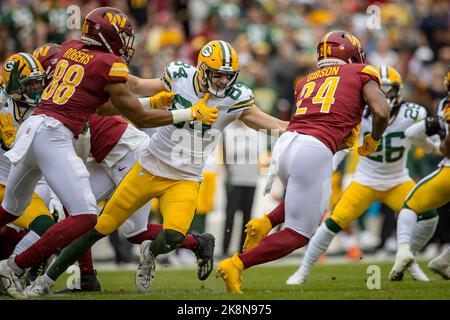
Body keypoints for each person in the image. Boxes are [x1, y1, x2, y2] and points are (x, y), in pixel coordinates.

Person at [22, 39, 288, 296]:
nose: (223, 81)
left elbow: (270, 123)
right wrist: (106, 77)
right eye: (217, 75)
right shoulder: (179, 75)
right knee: (98, 226)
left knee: (173, 235)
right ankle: (45, 282)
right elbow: (138, 84)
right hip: (148, 166)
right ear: (203, 69)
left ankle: (148, 253)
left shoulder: (235, 97)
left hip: (185, 177)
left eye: (228, 76)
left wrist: (301, 131)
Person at [0, 7, 218, 299]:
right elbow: (128, 113)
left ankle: (84, 276)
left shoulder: (70, 48)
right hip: (79, 144)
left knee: (106, 224)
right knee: (85, 215)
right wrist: (187, 112)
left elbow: (107, 105)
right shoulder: (106, 64)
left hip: (84, 143)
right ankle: (22, 267)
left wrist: (152, 101)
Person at [216, 30, 390, 293]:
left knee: (311, 198)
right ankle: (237, 264)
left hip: (287, 143)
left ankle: (265, 222)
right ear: (350, 53)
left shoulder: (305, 80)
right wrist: (374, 138)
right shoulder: (362, 71)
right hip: (313, 148)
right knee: (300, 232)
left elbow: (320, 116)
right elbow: (380, 110)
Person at [287, 65, 441, 285]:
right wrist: (326, 167)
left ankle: (409, 258)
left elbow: (427, 142)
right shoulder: (360, 115)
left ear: (399, 91)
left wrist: (435, 146)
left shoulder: (414, 114)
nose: (384, 95)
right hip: (365, 181)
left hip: (398, 180)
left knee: (430, 215)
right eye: (380, 90)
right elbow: (344, 145)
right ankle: (302, 271)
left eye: (389, 90)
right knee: (332, 223)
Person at [389, 66, 450, 281]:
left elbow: (414, 133)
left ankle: (407, 251)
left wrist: (436, 148)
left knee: (411, 206)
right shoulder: (442, 106)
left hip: (447, 170)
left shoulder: (444, 104)